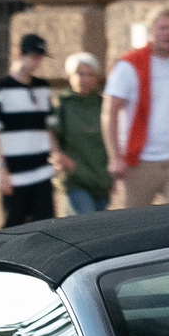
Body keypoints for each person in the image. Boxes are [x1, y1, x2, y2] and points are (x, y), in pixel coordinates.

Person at [102, 8, 169, 208]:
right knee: (133, 225)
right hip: (140, 161)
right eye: (162, 27)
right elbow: (110, 112)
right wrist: (115, 157)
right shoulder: (129, 65)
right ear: (151, 31)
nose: (168, 33)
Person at [0, 33, 58, 227]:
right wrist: (0, 168)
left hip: (41, 171)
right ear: (18, 54)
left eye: (40, 58)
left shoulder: (43, 87)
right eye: (33, 57)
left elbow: (46, 128)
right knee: (14, 228)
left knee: (47, 228)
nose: (37, 62)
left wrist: (57, 153)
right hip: (14, 175)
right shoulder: (1, 88)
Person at [51, 51, 113, 215]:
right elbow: (48, 132)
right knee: (85, 226)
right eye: (79, 74)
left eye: (90, 74)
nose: (85, 79)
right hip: (76, 180)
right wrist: (58, 154)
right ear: (69, 76)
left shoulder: (104, 104)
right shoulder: (62, 105)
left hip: (102, 181)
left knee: (97, 230)